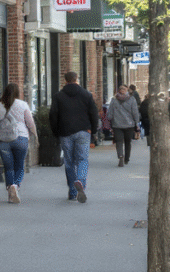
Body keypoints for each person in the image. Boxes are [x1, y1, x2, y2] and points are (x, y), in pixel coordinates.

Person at [49, 72, 99, 203]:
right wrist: (93, 131)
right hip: (83, 131)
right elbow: (93, 113)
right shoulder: (86, 95)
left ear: (65, 80)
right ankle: (80, 180)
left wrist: (55, 132)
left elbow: (53, 115)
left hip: (65, 132)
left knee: (69, 162)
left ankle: (72, 191)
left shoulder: (58, 96)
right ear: (77, 79)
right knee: (82, 159)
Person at [0, 83, 36, 204]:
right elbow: (30, 123)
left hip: (3, 139)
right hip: (21, 137)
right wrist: (35, 135)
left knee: (8, 167)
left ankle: (10, 187)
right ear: (17, 93)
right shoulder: (23, 105)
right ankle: (15, 186)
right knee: (19, 165)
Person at [107, 84, 141, 167]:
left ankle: (120, 156)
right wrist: (137, 123)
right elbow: (135, 112)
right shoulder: (132, 99)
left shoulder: (114, 100)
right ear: (127, 91)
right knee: (127, 142)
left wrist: (109, 119)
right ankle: (126, 159)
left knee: (119, 141)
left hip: (117, 124)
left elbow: (110, 113)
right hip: (129, 124)